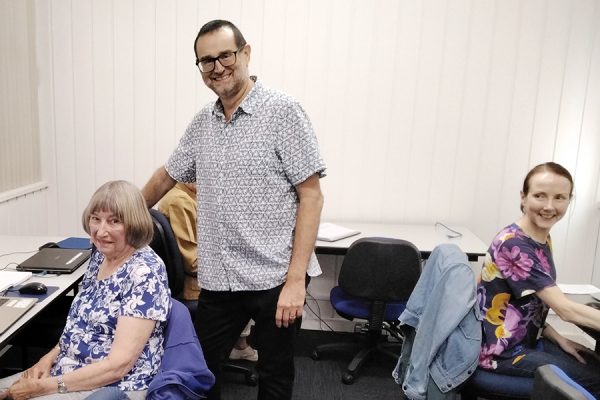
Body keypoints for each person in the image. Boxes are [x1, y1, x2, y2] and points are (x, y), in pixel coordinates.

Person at [142, 19, 326, 400]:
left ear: (245, 53)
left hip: (274, 275)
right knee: (202, 371)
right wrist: (121, 213)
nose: (217, 68)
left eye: (224, 55)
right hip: (219, 278)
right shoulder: (203, 123)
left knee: (274, 376)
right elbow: (167, 175)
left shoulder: (283, 112)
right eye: (206, 61)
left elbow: (311, 196)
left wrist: (295, 282)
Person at [0, 181, 171, 400]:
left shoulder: (144, 272)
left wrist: (44, 387)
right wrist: (47, 359)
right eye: (95, 219)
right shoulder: (102, 256)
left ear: (134, 223)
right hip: (67, 372)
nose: (101, 231)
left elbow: (118, 366)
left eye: (114, 221)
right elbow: (79, 326)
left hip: (112, 385)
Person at [477, 162, 600, 396]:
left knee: (590, 362)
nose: (549, 206)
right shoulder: (514, 244)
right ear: (523, 198)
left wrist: (558, 338)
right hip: (501, 352)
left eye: (560, 197)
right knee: (596, 380)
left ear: (569, 201)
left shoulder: (540, 238)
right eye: (540, 196)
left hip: (523, 340)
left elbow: (529, 304)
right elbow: (566, 310)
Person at [158, 182, 258, 362]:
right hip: (195, 286)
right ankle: (236, 346)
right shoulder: (180, 202)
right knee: (255, 285)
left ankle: (238, 344)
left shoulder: (192, 196)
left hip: (204, 277)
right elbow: (193, 262)